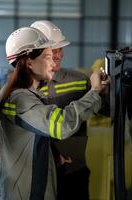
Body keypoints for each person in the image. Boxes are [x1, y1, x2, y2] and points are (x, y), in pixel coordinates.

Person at [0, 26, 107, 199]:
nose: (54, 61)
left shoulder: (24, 93)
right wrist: (94, 92)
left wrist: (48, 155)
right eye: (47, 56)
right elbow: (61, 125)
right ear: (29, 63)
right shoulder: (20, 99)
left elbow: (28, 137)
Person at [30, 20, 92, 200]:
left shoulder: (80, 81)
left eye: (60, 49)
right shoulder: (20, 90)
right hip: (36, 171)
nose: (58, 55)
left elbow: (104, 109)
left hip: (73, 170)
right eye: (51, 51)